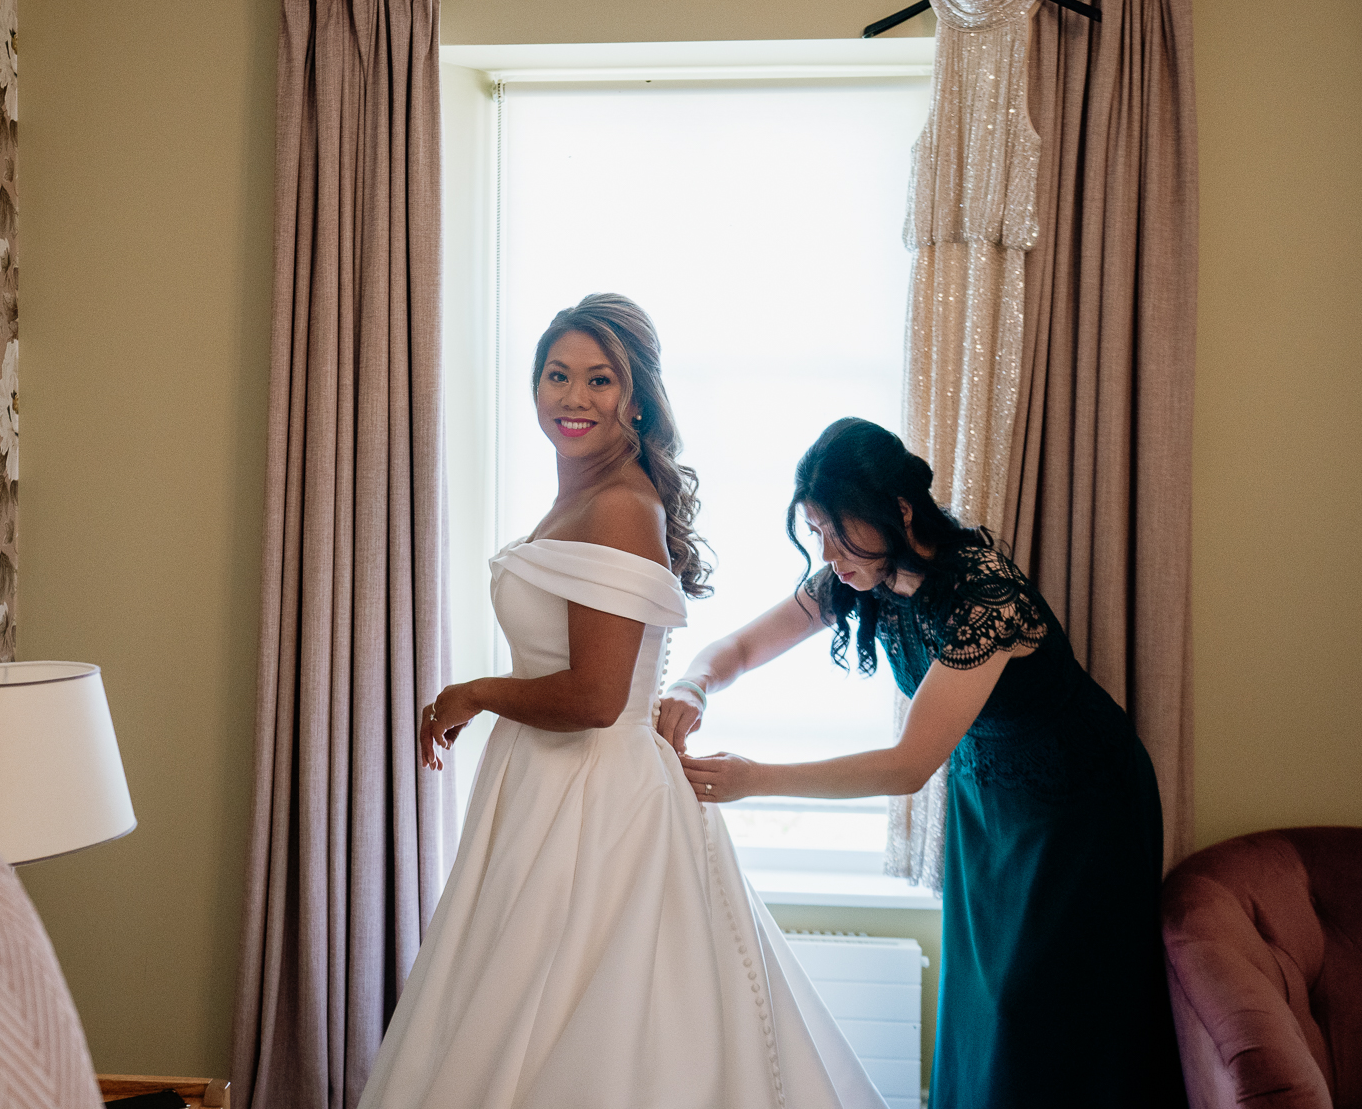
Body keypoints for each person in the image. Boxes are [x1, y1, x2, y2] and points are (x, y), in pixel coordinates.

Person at [359, 296, 885, 1109]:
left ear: (634, 396)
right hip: (548, 784)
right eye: (557, 376)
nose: (574, 397)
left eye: (599, 380)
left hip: (597, 800)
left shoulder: (617, 504)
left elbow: (599, 697)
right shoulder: (586, 494)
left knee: (585, 1031)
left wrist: (472, 692)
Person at [660, 417, 1180, 1109]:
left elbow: (907, 765)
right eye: (817, 532)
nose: (830, 551)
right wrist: (692, 685)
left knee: (1043, 1010)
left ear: (898, 511)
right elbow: (742, 648)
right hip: (989, 800)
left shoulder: (983, 595)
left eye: (839, 529)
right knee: (985, 1005)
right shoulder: (860, 575)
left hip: (1080, 804)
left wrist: (759, 781)